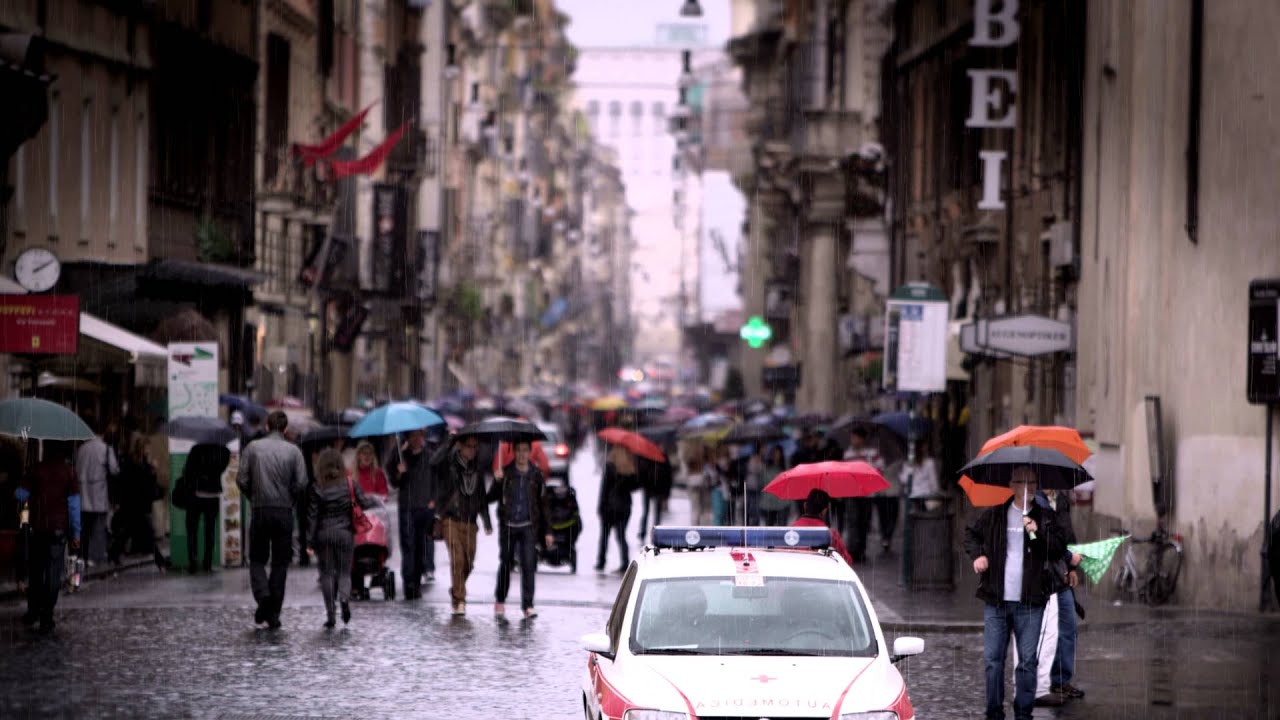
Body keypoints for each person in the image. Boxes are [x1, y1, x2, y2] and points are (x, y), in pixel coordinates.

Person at [963, 467, 1071, 720]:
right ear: (1011, 485)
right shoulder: (997, 515)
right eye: (1021, 482)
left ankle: (1023, 713)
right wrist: (978, 555)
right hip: (997, 600)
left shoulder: (1045, 517)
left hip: (1030, 602)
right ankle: (994, 713)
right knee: (993, 661)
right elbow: (971, 535)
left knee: (1027, 662)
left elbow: (1056, 549)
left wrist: (1037, 531)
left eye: (1032, 482)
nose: (1028, 487)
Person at [236, 410, 309, 629]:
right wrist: (289, 498)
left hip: (260, 510)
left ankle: (264, 597)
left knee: (257, 559)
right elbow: (302, 482)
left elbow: (241, 479)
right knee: (280, 562)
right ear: (285, 429)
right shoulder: (294, 451)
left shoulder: (253, 448)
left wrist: (253, 496)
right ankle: (273, 610)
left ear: (267, 427)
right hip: (283, 511)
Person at [15, 440, 80, 633]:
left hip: (38, 528)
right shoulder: (69, 472)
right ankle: (47, 615)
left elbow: (20, 496)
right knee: (53, 573)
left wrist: (23, 481)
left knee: (36, 571)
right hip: (58, 530)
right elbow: (74, 506)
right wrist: (76, 533)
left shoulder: (36, 470)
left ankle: (33, 609)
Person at [307, 448, 374, 628]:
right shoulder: (349, 484)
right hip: (345, 534)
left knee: (327, 574)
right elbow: (365, 503)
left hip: (324, 534)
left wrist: (310, 540)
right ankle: (344, 598)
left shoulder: (317, 486)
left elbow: (312, 516)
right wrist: (375, 500)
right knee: (344, 572)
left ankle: (331, 615)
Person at [489, 440, 552, 618]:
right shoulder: (507, 473)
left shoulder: (536, 475)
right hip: (508, 526)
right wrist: (497, 480)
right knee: (506, 563)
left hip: (528, 526)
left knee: (528, 564)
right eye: (519, 450)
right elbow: (491, 497)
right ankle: (500, 599)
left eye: (525, 451)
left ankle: (528, 605)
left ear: (530, 453)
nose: (522, 454)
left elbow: (543, 504)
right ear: (514, 452)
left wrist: (548, 531)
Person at [431, 434, 492, 615]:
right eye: (468, 446)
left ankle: (456, 589)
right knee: (457, 559)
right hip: (450, 518)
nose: (472, 450)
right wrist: (449, 441)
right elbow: (434, 463)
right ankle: (459, 600)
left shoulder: (478, 469)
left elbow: (481, 496)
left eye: (475, 447)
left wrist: (486, 520)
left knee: (468, 563)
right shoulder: (449, 465)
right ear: (461, 446)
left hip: (470, 521)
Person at [387, 428, 437, 599]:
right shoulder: (400, 455)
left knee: (420, 546)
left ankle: (416, 580)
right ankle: (409, 583)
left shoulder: (430, 456)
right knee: (408, 545)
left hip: (425, 507)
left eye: (420, 435)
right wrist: (399, 473)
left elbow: (439, 480)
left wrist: (434, 500)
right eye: (413, 435)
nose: (417, 439)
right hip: (407, 506)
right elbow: (394, 482)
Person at [108, 432, 160, 566]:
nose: (148, 450)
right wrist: (152, 471)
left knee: (128, 531)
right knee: (144, 532)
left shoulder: (137, 463)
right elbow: (140, 482)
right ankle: (160, 561)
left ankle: (113, 555)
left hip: (135, 503)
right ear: (141, 448)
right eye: (147, 448)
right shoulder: (135, 464)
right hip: (135, 503)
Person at [74, 421, 118, 566]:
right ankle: (95, 556)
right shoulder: (106, 449)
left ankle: (82, 555)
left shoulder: (81, 449)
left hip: (82, 492)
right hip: (99, 493)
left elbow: (76, 468)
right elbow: (114, 470)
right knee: (98, 527)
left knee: (84, 527)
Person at [184, 443, 231, 573]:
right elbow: (222, 467)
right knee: (210, 529)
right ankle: (208, 562)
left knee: (192, 528)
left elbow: (188, 470)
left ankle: (193, 562)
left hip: (197, 493)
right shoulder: (224, 451)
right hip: (214, 494)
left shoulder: (196, 449)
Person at [843, 427, 885, 561]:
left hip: (867, 494)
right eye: (852, 438)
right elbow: (844, 472)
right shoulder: (848, 454)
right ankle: (852, 550)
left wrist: (870, 469)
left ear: (862, 439)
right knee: (852, 521)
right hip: (851, 492)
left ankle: (861, 550)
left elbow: (880, 469)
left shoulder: (872, 453)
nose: (853, 440)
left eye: (855, 437)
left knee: (864, 522)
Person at [595, 444, 638, 573]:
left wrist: (600, 507)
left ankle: (601, 561)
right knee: (621, 536)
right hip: (624, 507)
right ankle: (625, 562)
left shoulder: (610, 467)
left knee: (604, 535)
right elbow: (635, 487)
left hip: (609, 506)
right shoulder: (630, 469)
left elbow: (604, 488)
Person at [793, 488, 853, 565]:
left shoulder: (791, 532)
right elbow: (847, 561)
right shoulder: (831, 535)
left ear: (805, 505)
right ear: (824, 511)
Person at [635, 455, 672, 542]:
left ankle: (650, 533)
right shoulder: (661, 457)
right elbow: (668, 475)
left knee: (651, 512)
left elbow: (667, 475)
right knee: (652, 512)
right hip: (653, 488)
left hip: (653, 488)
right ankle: (649, 533)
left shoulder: (647, 457)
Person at [757, 445, 791, 526]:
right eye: (774, 453)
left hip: (783, 502)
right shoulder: (766, 467)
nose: (776, 455)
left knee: (782, 526)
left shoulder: (786, 466)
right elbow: (761, 482)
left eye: (778, 453)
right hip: (768, 503)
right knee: (769, 527)